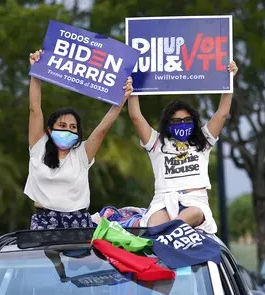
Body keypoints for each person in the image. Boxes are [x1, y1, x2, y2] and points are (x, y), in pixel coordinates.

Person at [24, 49, 133, 230]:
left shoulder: (82, 154)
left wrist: (120, 101)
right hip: (44, 223)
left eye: (73, 127)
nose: (68, 130)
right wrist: (36, 72)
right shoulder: (38, 146)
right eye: (62, 126)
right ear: (50, 130)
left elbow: (102, 129)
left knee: (81, 259)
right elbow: (35, 109)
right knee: (49, 259)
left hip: (78, 223)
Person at [127, 61, 238, 233]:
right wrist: (132, 88)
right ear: (167, 123)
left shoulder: (203, 141)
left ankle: (171, 231)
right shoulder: (157, 143)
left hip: (195, 202)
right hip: (162, 202)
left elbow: (222, 113)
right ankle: (169, 234)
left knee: (189, 216)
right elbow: (136, 117)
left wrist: (229, 80)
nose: (182, 124)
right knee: (155, 229)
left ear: (194, 122)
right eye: (176, 121)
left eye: (187, 121)